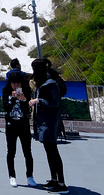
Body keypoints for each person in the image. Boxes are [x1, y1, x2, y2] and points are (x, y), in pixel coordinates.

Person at [29, 59, 68, 194]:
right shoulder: (43, 82)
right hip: (44, 121)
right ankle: (54, 179)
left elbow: (54, 102)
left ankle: (61, 183)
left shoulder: (49, 83)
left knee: (53, 152)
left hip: (50, 122)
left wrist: (39, 100)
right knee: (49, 151)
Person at [2, 71, 37, 188]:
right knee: (11, 152)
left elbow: (28, 110)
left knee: (27, 152)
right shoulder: (6, 92)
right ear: (10, 83)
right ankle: (12, 176)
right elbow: (6, 108)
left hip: (24, 126)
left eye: (18, 83)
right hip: (11, 126)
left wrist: (23, 100)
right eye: (14, 83)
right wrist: (12, 99)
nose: (16, 86)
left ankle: (30, 176)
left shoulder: (26, 92)